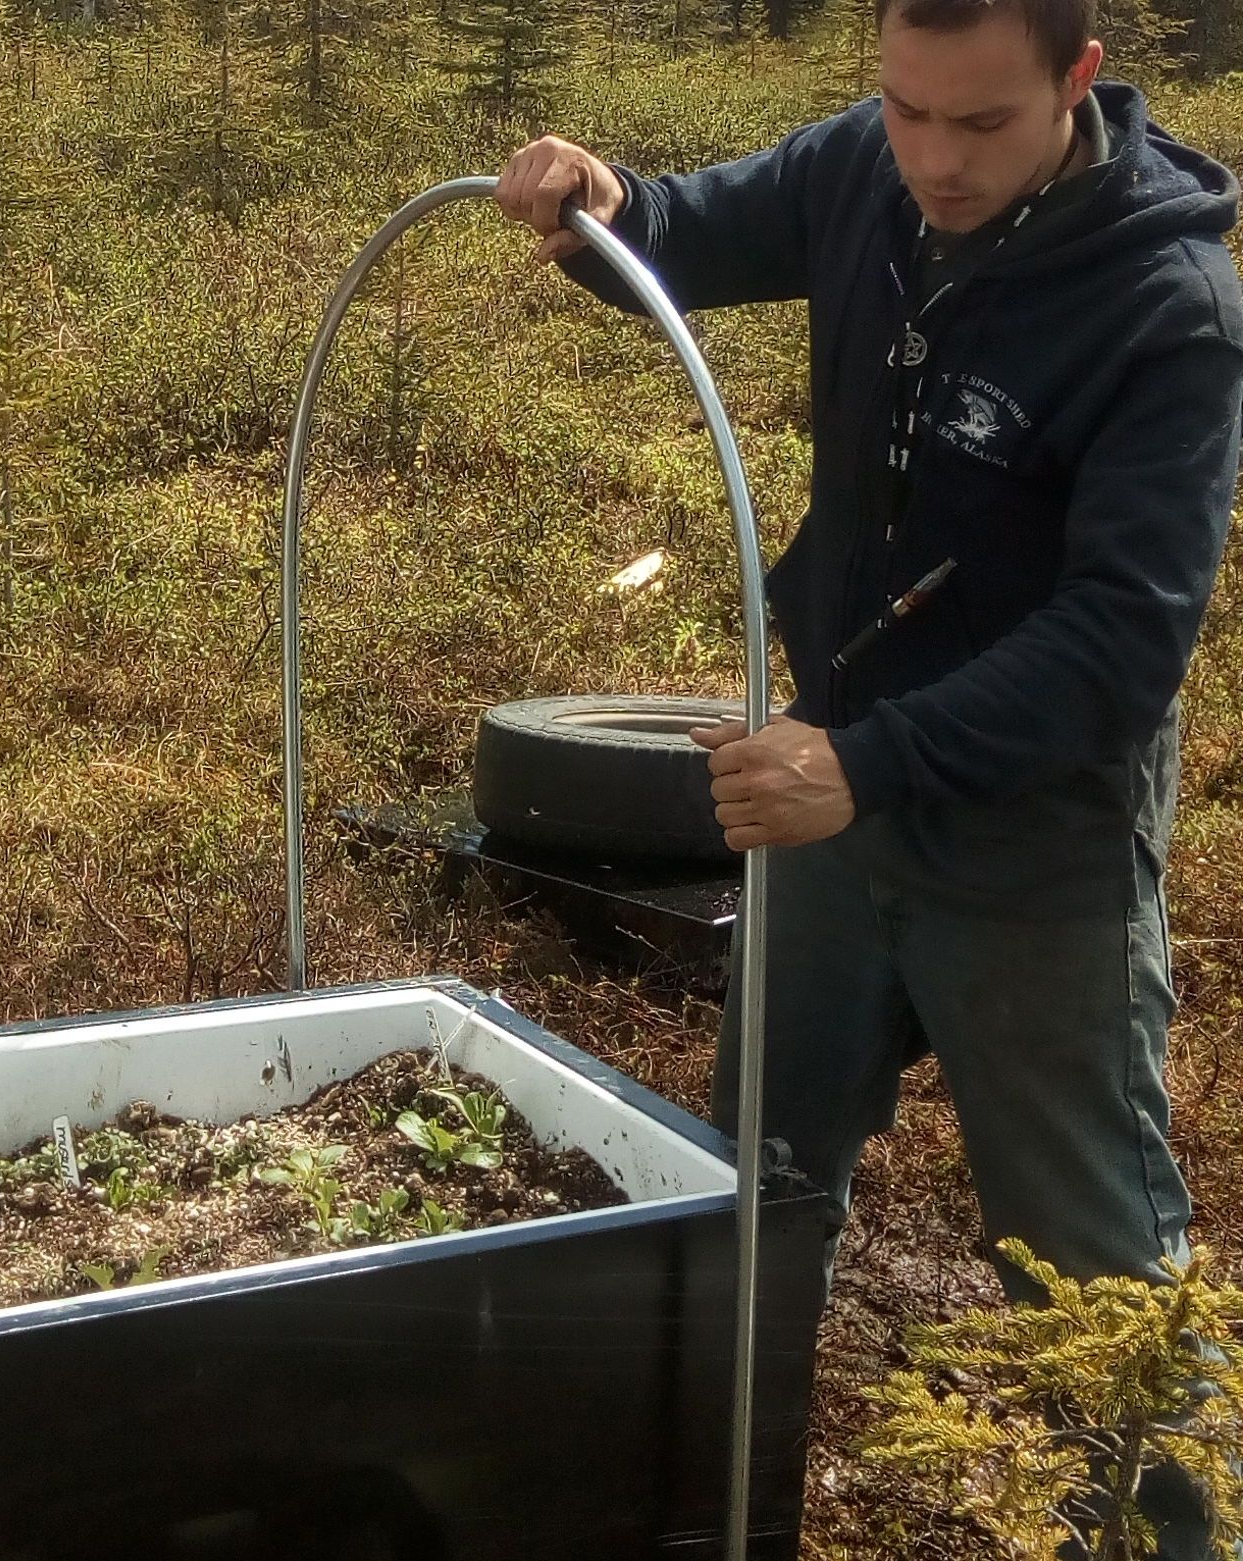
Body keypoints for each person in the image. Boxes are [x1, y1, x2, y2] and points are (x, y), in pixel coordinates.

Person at [496, 1, 1242, 1554]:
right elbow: (688, 233)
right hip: (826, 811)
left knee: (1092, 1265)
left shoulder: (1167, 306)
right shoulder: (863, 171)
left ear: (1079, 82)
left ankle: (1176, 1536)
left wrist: (871, 761)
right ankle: (719, 1502)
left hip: (1033, 846)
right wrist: (608, 201)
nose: (934, 161)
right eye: (908, 111)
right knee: (752, 1181)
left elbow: (1123, 644)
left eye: (981, 125)